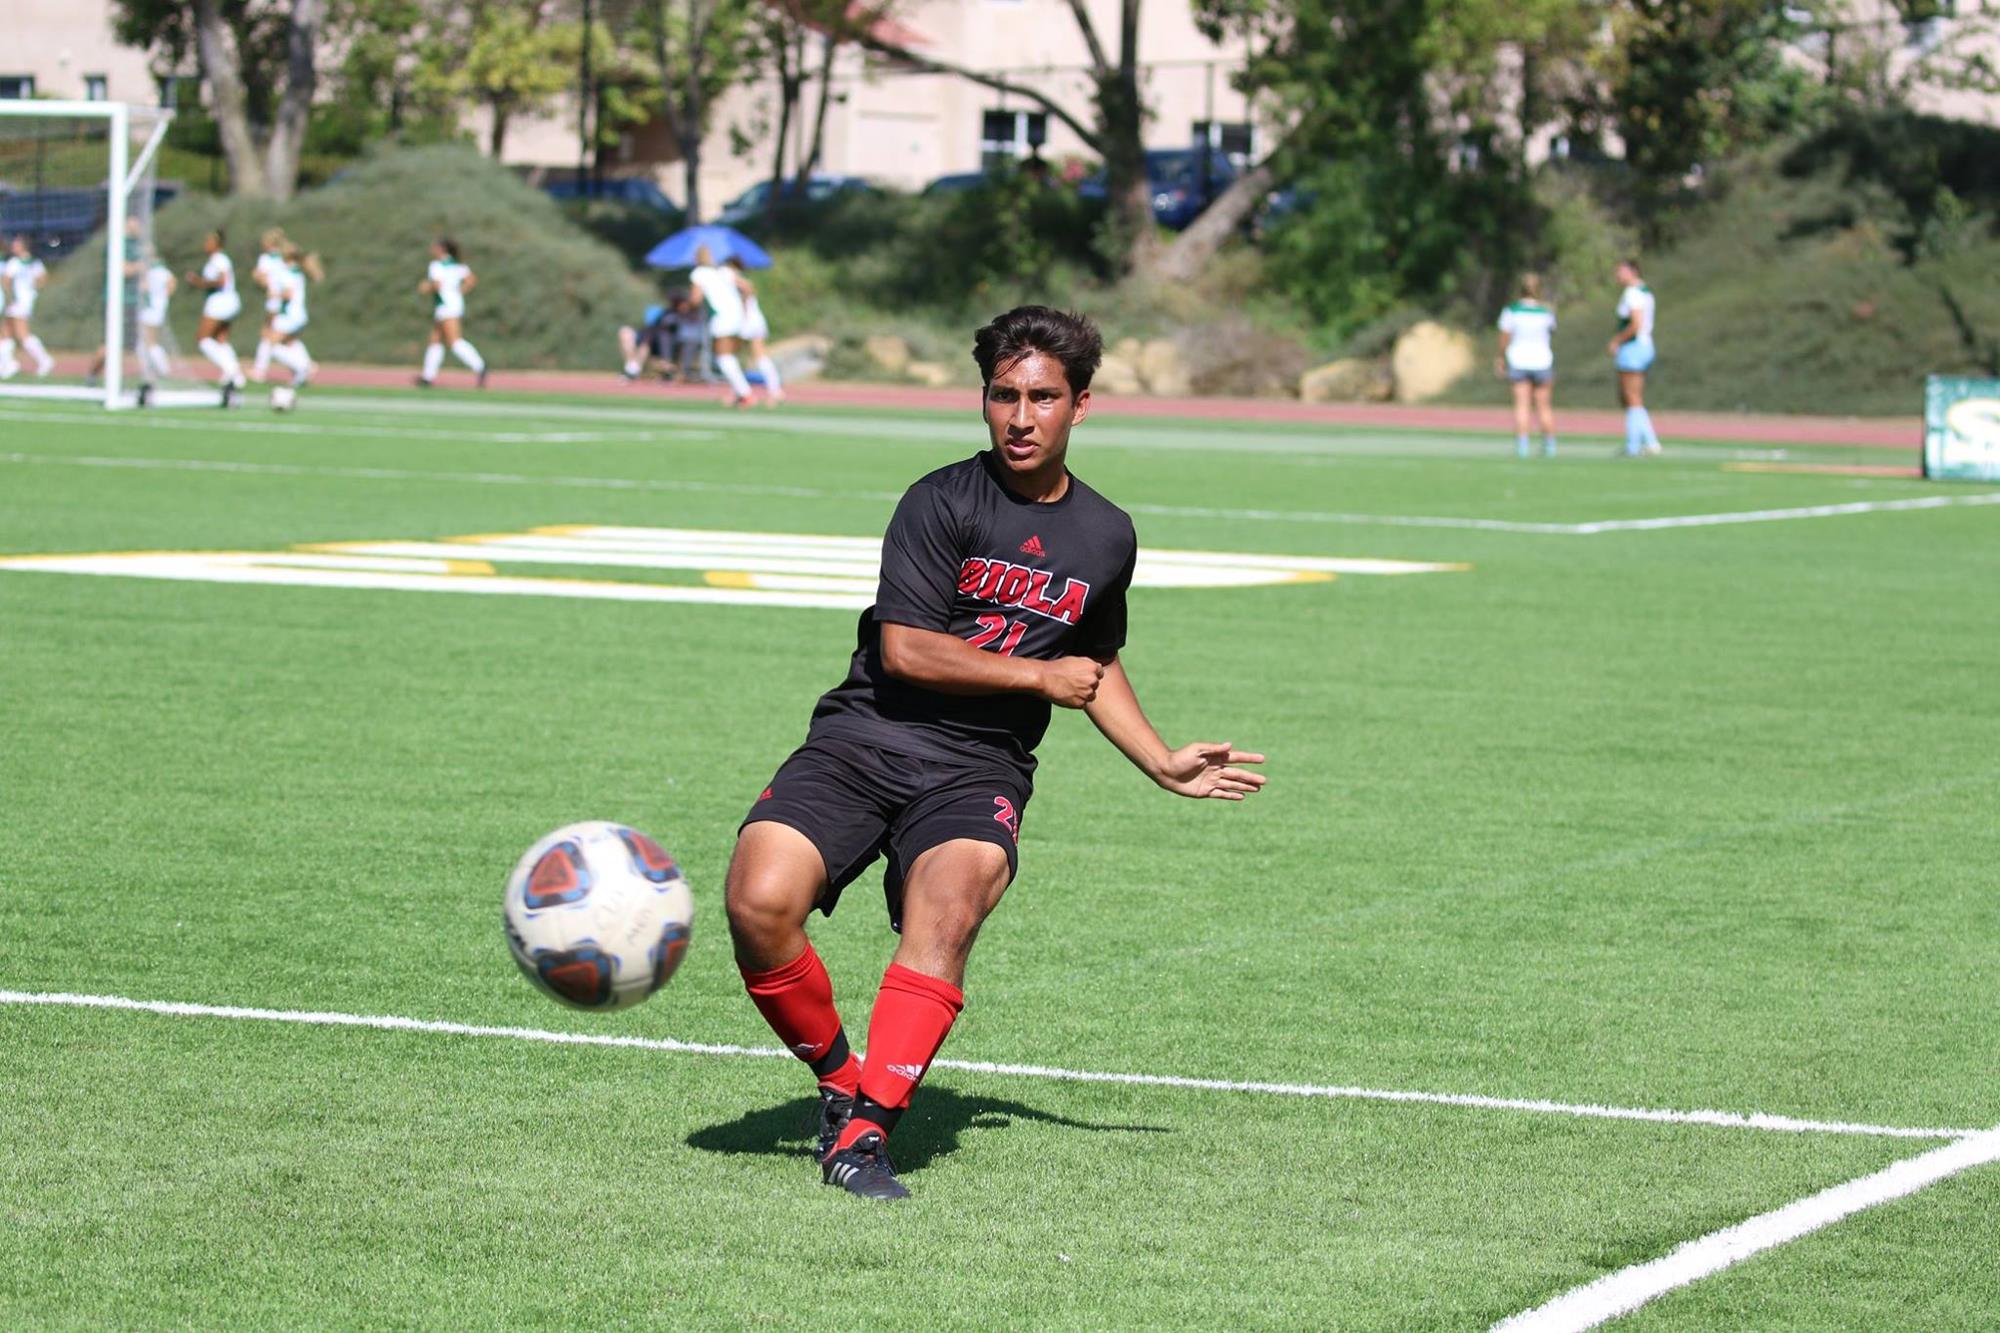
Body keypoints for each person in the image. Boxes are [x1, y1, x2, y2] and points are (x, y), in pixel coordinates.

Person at [724, 305, 1268, 1203]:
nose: (1020, 417)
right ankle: (837, 1076)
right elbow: (907, 648)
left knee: (951, 904)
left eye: (1042, 397)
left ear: (1080, 406)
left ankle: (863, 1138)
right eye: (1003, 395)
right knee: (757, 900)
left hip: (980, 767)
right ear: (984, 400)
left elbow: (1094, 660)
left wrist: (1160, 759)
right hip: (866, 735)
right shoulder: (938, 501)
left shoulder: (1106, 534)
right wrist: (1035, 676)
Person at [1496, 273, 1557, 458]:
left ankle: (1522, 446)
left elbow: (1505, 336)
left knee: (1522, 405)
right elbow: (1552, 332)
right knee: (1544, 406)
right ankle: (1550, 445)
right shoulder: (1547, 312)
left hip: (1519, 360)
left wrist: (1500, 357)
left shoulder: (1512, 311)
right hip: (1542, 360)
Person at [186, 229, 248, 406]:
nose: (206, 244)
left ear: (217, 243)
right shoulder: (216, 260)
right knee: (220, 340)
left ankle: (232, 371)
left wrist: (199, 282)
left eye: (209, 241)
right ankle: (236, 376)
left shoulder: (220, 259)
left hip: (221, 302)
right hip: (227, 301)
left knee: (203, 340)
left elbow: (222, 281)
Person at [415, 237, 488, 389]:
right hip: (453, 304)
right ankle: (428, 377)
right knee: (435, 340)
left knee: (454, 341)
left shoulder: (436, 265)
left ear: (441, 249)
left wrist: (425, 287)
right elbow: (471, 280)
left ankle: (480, 366)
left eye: (435, 246)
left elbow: (437, 285)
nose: (432, 248)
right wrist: (459, 292)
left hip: (445, 306)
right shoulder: (458, 265)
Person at [687, 244, 755, 405]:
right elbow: (746, 287)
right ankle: (739, 393)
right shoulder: (720, 271)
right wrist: (745, 307)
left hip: (722, 317)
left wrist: (686, 307)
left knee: (723, 357)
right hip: (736, 314)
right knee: (730, 356)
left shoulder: (699, 273)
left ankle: (746, 394)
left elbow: (695, 299)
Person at [1609, 258, 1661, 457]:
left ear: (1633, 272)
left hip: (1634, 347)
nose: (1617, 275)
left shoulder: (1633, 293)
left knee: (1631, 398)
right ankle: (1648, 441)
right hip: (1644, 346)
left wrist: (1616, 341)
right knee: (1633, 398)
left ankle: (1635, 444)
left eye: (1621, 271)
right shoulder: (1645, 292)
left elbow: (1635, 324)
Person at [87, 216, 147, 386]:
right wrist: (139, 266)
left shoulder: (137, 245)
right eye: (135, 222)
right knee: (109, 341)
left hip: (132, 300)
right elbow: (122, 270)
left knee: (128, 342)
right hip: (115, 300)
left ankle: (114, 378)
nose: (139, 225)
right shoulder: (116, 243)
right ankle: (94, 375)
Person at [266, 242, 322, 400]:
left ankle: (304, 366)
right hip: (297, 315)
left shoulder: (288, 272)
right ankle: (301, 375)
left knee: (273, 346)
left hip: (289, 316)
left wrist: (275, 295)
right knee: (291, 343)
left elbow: (289, 294)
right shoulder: (296, 270)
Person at [727, 256, 784, 406]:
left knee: (759, 357)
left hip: (749, 322)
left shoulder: (741, 282)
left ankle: (775, 390)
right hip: (745, 322)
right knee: (736, 358)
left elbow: (747, 295)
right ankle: (739, 392)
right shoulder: (734, 282)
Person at [0, 234, 56, 379]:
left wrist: (11, 298)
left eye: (16, 243)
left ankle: (44, 360)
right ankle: (7, 365)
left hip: (17, 302)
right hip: (25, 301)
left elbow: (6, 281)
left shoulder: (16, 262)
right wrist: (33, 289)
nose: (13, 246)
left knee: (21, 334)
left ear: (24, 246)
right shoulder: (34, 263)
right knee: (5, 332)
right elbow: (43, 279)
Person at [249, 229, 289, 382]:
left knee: (267, 334)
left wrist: (257, 276)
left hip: (274, 300)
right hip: (285, 301)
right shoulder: (284, 257)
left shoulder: (265, 258)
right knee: (282, 335)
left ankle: (260, 370)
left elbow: (262, 279)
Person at [136, 249, 177, 395]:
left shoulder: (157, 271)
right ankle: (152, 370)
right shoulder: (155, 271)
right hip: (153, 309)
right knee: (144, 343)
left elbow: (171, 284)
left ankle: (163, 368)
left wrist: (159, 296)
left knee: (150, 342)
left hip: (152, 310)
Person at [619, 300, 677, 381]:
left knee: (646, 343)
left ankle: (633, 370)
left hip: (653, 347)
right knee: (625, 332)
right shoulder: (646, 328)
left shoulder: (664, 330)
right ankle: (632, 367)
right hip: (644, 338)